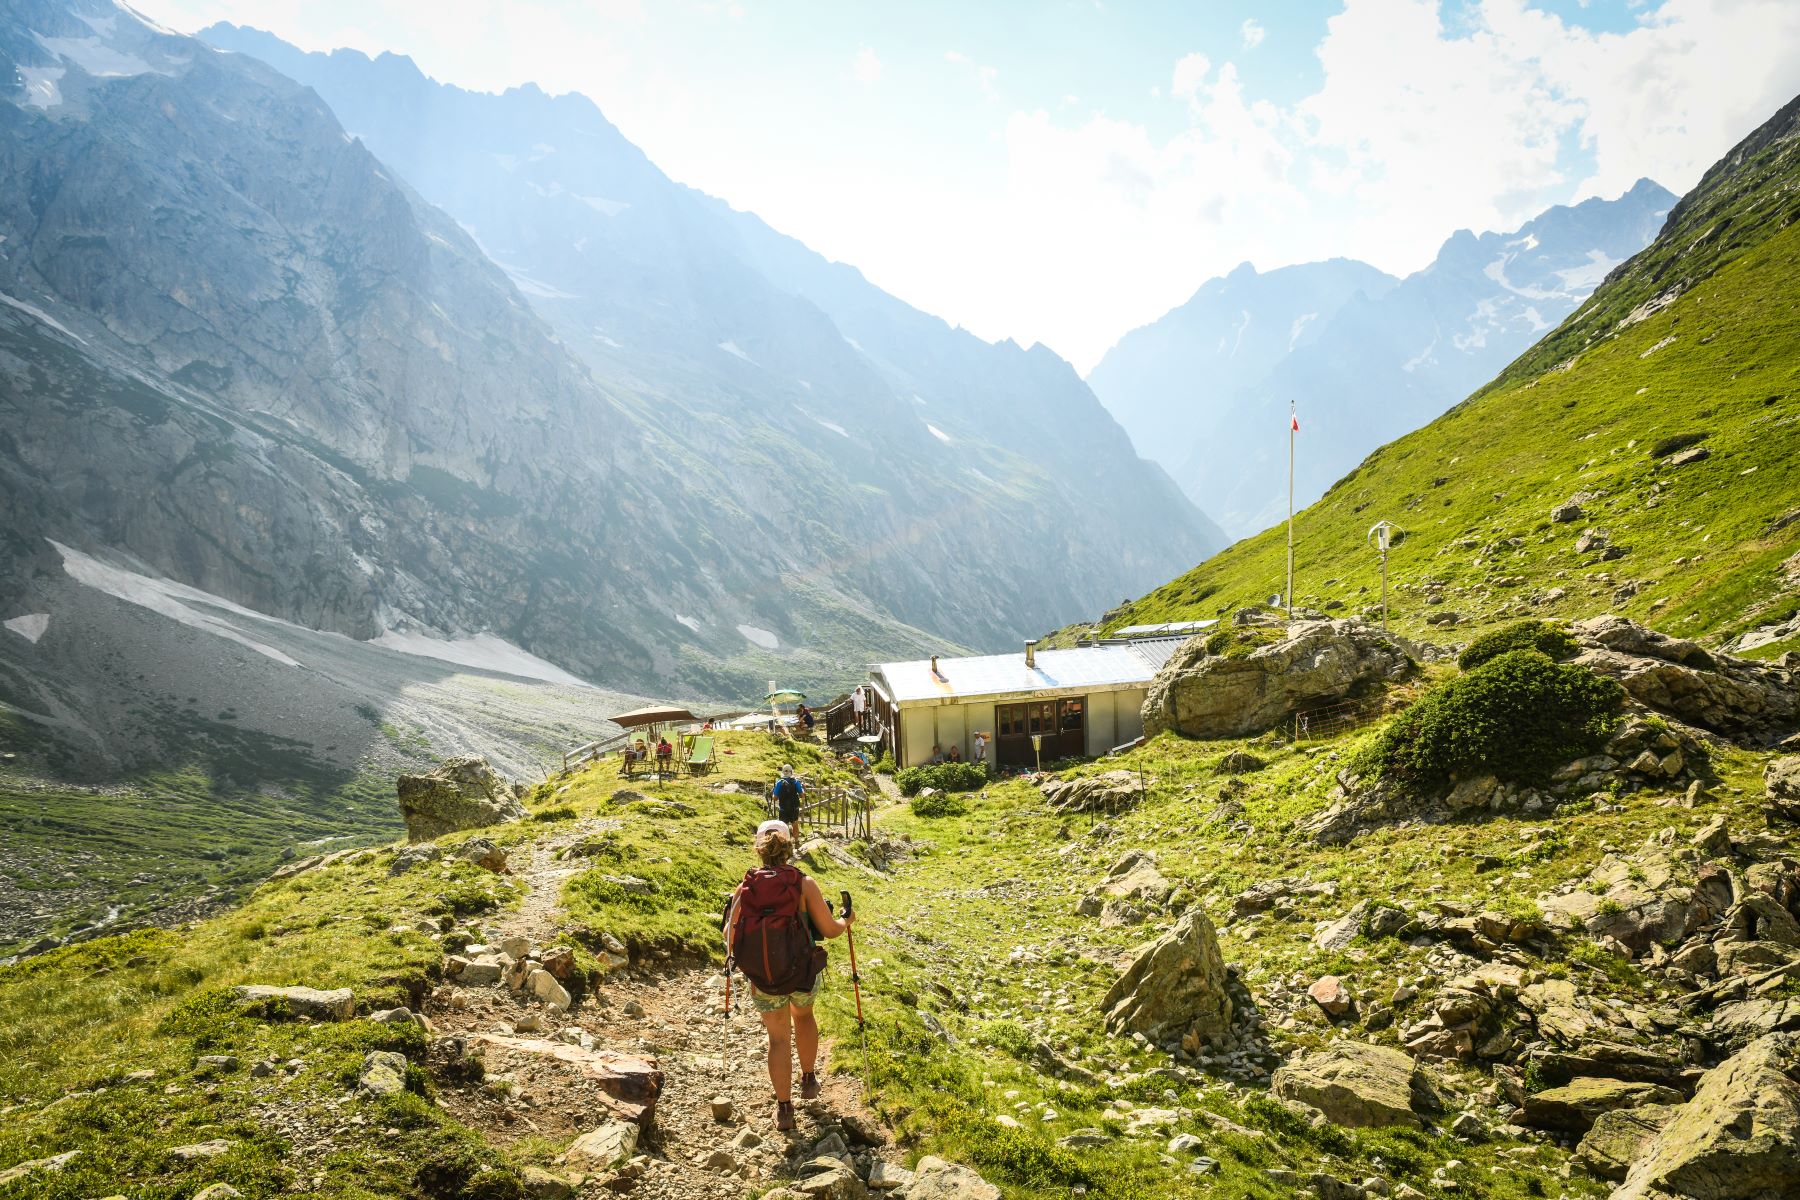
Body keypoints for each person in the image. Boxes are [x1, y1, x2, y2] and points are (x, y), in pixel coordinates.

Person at [725, 820, 853, 1130]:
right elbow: (829, 930)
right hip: (802, 973)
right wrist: (846, 920)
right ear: (789, 846)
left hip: (764, 978)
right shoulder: (804, 884)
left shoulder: (745, 888)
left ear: (760, 849)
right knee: (805, 1018)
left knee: (778, 1039)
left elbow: (730, 935)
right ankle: (808, 1081)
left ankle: (784, 1110)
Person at [772, 764, 804, 828]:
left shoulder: (779, 783)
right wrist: (803, 790)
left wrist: (773, 794)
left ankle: (785, 838)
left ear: (783, 772)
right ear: (791, 772)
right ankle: (796, 838)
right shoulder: (796, 782)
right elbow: (802, 795)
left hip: (783, 809)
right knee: (795, 826)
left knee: (783, 827)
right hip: (794, 808)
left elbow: (775, 798)